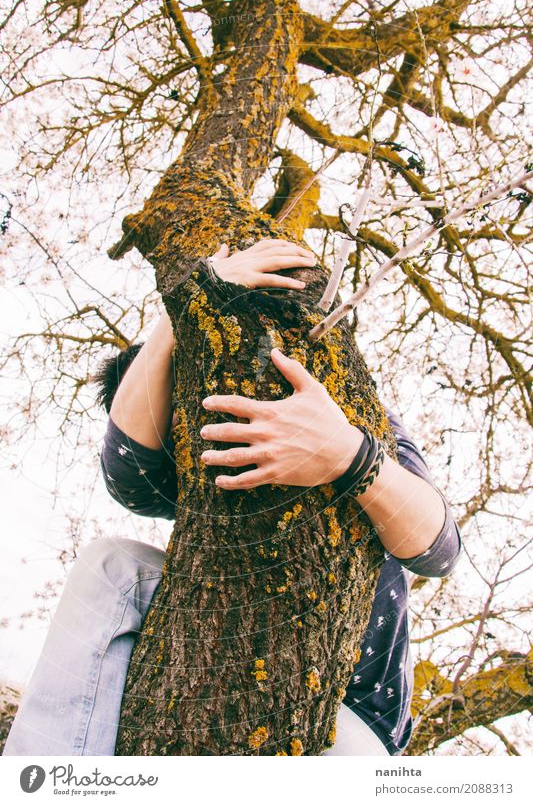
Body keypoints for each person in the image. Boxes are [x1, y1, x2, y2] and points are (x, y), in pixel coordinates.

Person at [4, 239, 461, 757]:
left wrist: (347, 454)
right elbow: (124, 470)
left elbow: (438, 549)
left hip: (350, 711)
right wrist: (191, 302)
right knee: (111, 563)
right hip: (212, 648)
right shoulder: (187, 471)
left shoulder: (363, 417)